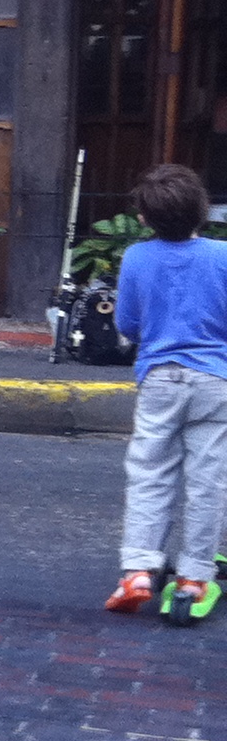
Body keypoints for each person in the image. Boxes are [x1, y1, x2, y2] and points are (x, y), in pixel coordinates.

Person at [110, 163, 227, 624]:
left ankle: (138, 569)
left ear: (143, 217)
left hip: (159, 379)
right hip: (216, 381)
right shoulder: (223, 255)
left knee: (149, 473)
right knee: (208, 480)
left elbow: (127, 323)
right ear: (203, 209)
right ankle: (194, 577)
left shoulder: (136, 258)